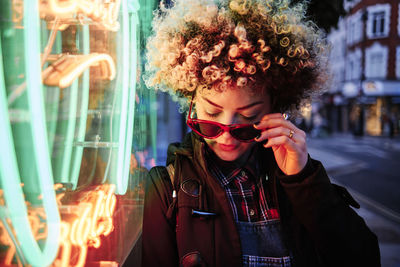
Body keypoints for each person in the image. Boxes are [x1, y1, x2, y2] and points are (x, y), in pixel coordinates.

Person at [137, 0, 381, 266]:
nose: (226, 136)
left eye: (248, 118)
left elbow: (363, 257)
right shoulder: (166, 188)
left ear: (275, 109)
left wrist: (303, 180)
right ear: (192, 105)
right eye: (212, 115)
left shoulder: (296, 179)